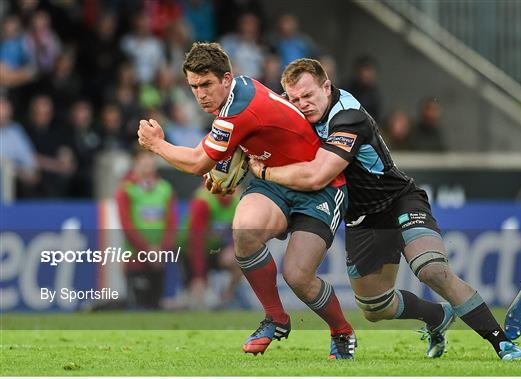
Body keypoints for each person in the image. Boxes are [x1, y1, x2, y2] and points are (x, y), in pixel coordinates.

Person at [248, 58, 521, 361]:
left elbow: (318, 175)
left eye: (308, 95)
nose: (302, 105)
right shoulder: (295, 116)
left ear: (326, 86)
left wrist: (264, 173)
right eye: (294, 99)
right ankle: (437, 317)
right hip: (362, 219)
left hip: (399, 200)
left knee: (431, 269)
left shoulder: (349, 116)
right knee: (375, 308)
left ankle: (503, 344)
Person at [138, 42, 356, 359]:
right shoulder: (238, 92)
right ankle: (276, 318)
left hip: (318, 186)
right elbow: (239, 143)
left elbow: (199, 162)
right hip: (273, 179)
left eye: (206, 84)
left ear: (226, 78)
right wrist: (226, 168)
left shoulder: (236, 111)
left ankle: (341, 331)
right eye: (194, 86)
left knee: (297, 275)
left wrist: (157, 144)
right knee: (245, 232)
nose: (200, 94)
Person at [116, 144, 178, 309]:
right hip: (135, 259)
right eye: (143, 158)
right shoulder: (126, 190)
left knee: (156, 309)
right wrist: (147, 250)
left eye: (151, 157)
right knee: (137, 309)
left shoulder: (165, 189)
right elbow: (127, 226)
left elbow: (171, 224)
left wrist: (161, 251)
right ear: (135, 162)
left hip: (159, 260)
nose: (148, 162)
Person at [179, 184, 242, 310]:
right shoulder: (203, 201)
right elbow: (196, 242)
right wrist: (199, 277)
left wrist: (232, 247)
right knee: (195, 302)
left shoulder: (238, 200)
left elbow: (241, 232)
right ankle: (188, 296)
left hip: (215, 249)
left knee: (241, 260)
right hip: (190, 251)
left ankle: (226, 298)